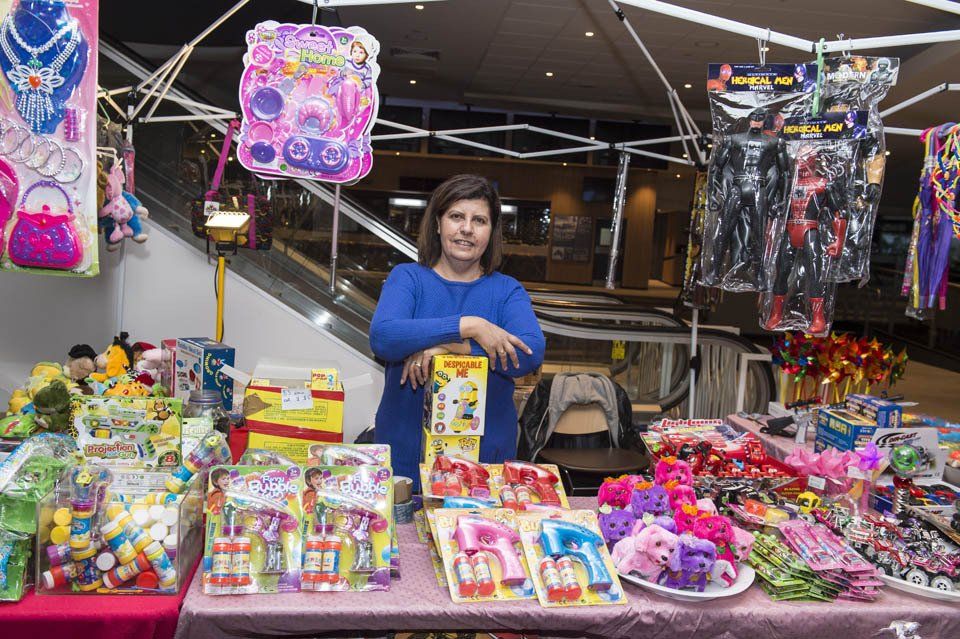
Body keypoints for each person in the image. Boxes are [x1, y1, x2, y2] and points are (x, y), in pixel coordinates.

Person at [369, 174, 545, 485]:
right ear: (437, 224)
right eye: (456, 216)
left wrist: (451, 347)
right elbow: (384, 337)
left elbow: (529, 354)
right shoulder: (407, 278)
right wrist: (469, 326)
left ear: (491, 232)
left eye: (479, 220)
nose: (466, 228)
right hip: (406, 458)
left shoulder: (507, 291)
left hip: (484, 463)